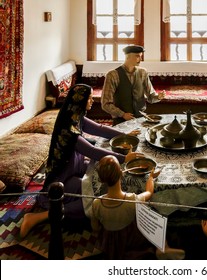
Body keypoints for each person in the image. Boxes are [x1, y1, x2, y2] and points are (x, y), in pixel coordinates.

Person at [20, 84, 143, 238]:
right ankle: (38, 217)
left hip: (74, 167)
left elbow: (99, 128)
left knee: (100, 174)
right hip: (62, 179)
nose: (92, 101)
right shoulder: (69, 129)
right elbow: (93, 151)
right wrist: (125, 158)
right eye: (89, 98)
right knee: (93, 198)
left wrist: (123, 135)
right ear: (80, 100)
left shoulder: (74, 115)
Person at [92, 155, 185, 260]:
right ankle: (162, 248)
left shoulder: (96, 203)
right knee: (152, 213)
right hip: (131, 238)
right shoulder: (132, 199)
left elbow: (95, 227)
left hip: (110, 241)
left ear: (101, 179)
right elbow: (149, 192)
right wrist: (150, 178)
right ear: (121, 174)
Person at [101, 45, 166, 125]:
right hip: (121, 121)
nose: (140, 59)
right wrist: (123, 114)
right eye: (137, 56)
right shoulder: (113, 75)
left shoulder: (143, 72)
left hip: (140, 119)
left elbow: (151, 96)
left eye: (141, 56)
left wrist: (158, 97)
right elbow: (106, 103)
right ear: (128, 56)